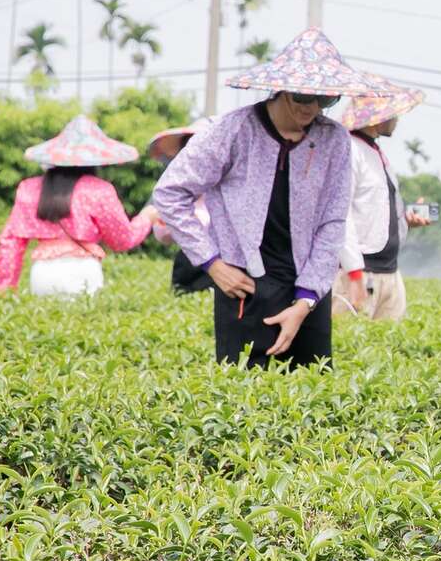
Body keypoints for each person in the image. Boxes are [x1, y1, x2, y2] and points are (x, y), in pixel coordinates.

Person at [152, 29, 397, 369]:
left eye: (325, 99)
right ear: (280, 89)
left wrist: (306, 301)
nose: (312, 108)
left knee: (314, 398)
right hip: (245, 285)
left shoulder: (335, 141)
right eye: (301, 97)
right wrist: (212, 263)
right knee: (243, 399)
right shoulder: (233, 130)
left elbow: (332, 222)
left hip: (308, 289)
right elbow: (170, 193)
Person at [0, 115, 156, 296]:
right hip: (83, 270)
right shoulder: (99, 190)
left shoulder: (29, 188)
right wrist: (146, 219)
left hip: (42, 274)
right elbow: (122, 240)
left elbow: (11, 241)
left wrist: (5, 288)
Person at [333, 85, 432, 321]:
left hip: (388, 271)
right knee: (349, 349)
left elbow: (372, 210)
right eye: (393, 113)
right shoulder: (348, 150)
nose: (397, 119)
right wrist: (354, 273)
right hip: (357, 273)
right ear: (377, 117)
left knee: (386, 350)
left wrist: (406, 221)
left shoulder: (375, 152)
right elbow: (340, 215)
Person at [146, 118, 217, 294]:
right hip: (188, 265)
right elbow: (163, 236)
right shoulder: (176, 193)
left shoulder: (226, 191)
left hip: (222, 265)